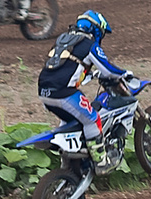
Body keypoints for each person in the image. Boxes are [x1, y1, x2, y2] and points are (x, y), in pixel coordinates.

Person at [37, 9, 131, 137]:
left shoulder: (63, 40)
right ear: (95, 29)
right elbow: (108, 70)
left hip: (44, 92)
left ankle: (73, 155)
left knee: (72, 123)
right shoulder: (89, 44)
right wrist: (124, 73)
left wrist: (90, 74)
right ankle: (100, 157)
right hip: (63, 93)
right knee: (93, 120)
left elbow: (67, 67)